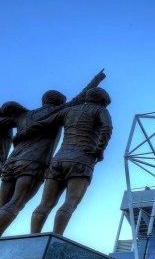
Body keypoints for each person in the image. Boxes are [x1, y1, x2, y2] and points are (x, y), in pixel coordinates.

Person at [0, 71, 104, 236]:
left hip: (11, 162)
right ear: (60, 102)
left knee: (3, 206)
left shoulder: (24, 116)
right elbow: (81, 97)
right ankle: (37, 239)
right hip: (33, 164)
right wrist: (97, 79)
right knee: (15, 204)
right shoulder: (57, 112)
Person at [30, 87, 112, 235]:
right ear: (103, 101)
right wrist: (99, 150)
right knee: (70, 204)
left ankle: (33, 237)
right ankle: (56, 237)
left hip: (58, 159)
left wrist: (24, 131)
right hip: (82, 159)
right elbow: (107, 127)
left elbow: (42, 123)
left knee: (45, 204)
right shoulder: (100, 110)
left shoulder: (68, 111)